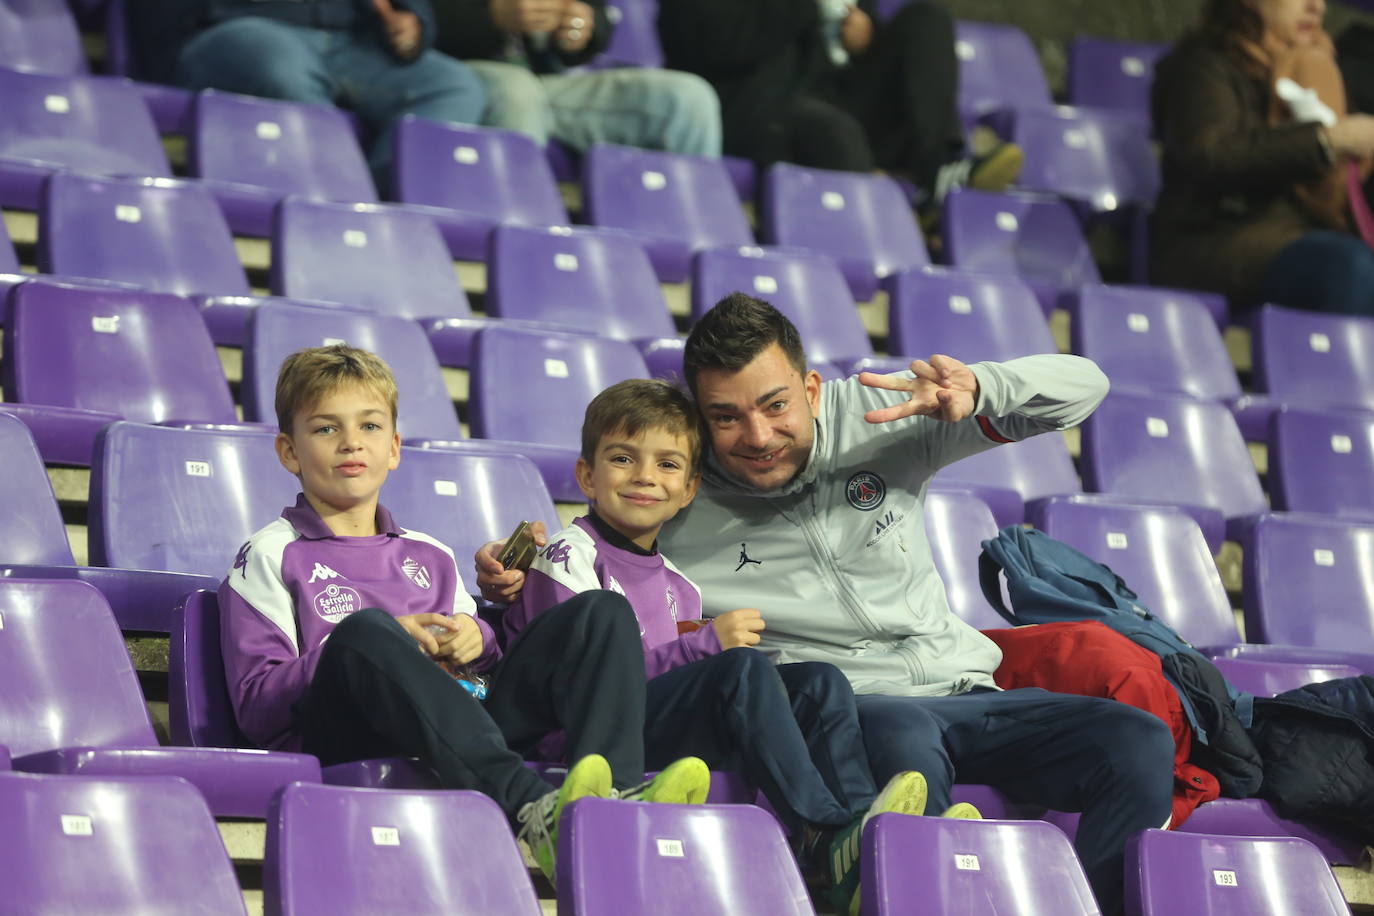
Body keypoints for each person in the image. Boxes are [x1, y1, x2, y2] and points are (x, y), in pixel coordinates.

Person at [479, 297, 1176, 914]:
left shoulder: (881, 415)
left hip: (964, 685)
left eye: (776, 404)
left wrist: (984, 386)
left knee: (1135, 740)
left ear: (811, 387)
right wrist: (503, 588)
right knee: (905, 740)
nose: (755, 436)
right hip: (853, 706)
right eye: (725, 416)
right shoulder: (680, 491)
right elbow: (591, 567)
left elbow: (1085, 389)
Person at [220, 344, 709, 883]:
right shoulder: (269, 553)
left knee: (603, 611)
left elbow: (487, 666)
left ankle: (614, 804)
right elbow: (256, 704)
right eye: (326, 429)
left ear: (395, 447)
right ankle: (534, 808)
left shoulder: (429, 553)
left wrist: (478, 636)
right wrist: (377, 646)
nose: (351, 442)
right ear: (289, 451)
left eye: (370, 426)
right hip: (351, 732)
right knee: (365, 634)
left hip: (465, 720)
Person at [505, 378, 961, 911]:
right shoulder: (566, 553)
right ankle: (820, 832)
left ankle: (856, 830)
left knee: (817, 681)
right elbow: (583, 687)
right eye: (623, 459)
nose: (646, 477)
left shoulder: (681, 584)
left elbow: (672, 682)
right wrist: (704, 648)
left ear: (690, 488)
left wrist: (702, 651)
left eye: (668, 464)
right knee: (740, 670)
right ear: (587, 474)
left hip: (656, 727)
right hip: (584, 745)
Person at [655, 0, 1021, 209]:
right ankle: (892, 224)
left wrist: (868, 39)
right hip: (753, 108)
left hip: (832, 95)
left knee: (928, 19)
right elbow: (707, 45)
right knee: (833, 131)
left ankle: (938, 173)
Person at [1152, 0, 1374, 314]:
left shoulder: (1322, 69)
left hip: (1305, 234)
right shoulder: (1204, 65)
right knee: (1350, 268)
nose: (1316, 7)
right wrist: (1326, 140)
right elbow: (1213, 155)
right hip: (1217, 237)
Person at [126, 0, 488, 191]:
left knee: (453, 86)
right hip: (235, 30)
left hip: (351, 40)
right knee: (281, 65)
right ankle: (332, 207)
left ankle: (386, 216)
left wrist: (412, 20)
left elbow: (412, 9)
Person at [431, 0, 721, 157]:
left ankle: (689, 249)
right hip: (455, 76)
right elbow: (407, 17)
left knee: (687, 98)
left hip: (546, 82)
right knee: (517, 91)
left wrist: (580, 28)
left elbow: (596, 14)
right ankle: (525, 236)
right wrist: (489, 18)